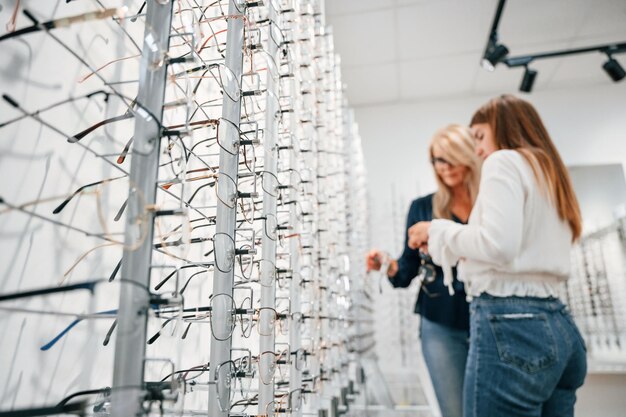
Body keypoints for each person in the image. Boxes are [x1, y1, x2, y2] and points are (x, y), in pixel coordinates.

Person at [408, 95, 587, 417]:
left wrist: (437, 231)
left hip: (511, 323)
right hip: (558, 322)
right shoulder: (547, 169)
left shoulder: (503, 160)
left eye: (479, 136)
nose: (477, 150)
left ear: (503, 127)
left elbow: (498, 246)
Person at [366, 124, 481, 417]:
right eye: (437, 160)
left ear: (469, 155)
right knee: (455, 410)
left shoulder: (489, 205)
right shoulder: (422, 208)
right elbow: (406, 271)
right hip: (440, 322)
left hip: (489, 318)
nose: (445, 167)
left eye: (451, 158)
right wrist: (386, 263)